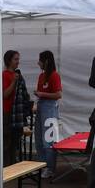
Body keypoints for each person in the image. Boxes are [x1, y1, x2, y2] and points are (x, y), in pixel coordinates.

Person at [35, 49, 63, 178]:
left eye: (40, 60)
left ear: (45, 61)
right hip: (41, 106)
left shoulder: (54, 75)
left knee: (49, 138)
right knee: (39, 137)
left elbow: (58, 94)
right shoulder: (41, 76)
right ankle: (41, 165)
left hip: (50, 108)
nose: (38, 63)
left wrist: (42, 94)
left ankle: (50, 167)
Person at [1, 50, 21, 166]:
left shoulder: (16, 75)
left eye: (18, 59)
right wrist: (13, 81)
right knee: (7, 141)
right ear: (9, 61)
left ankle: (12, 166)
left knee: (14, 142)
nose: (18, 62)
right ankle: (5, 167)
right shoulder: (5, 75)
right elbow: (5, 94)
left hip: (15, 113)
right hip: (7, 112)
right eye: (16, 59)